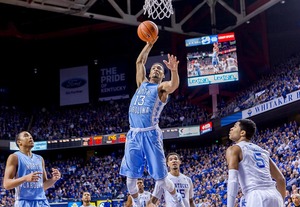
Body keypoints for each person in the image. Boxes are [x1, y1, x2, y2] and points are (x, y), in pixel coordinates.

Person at [119, 37, 183, 207]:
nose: (156, 69)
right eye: (154, 67)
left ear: (162, 76)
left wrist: (174, 71)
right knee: (130, 181)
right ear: (149, 72)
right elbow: (139, 61)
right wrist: (149, 45)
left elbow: (174, 85)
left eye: (160, 69)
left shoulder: (161, 89)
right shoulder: (141, 84)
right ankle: (139, 204)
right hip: (133, 135)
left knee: (161, 180)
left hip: (151, 134)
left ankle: (178, 200)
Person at [225, 119, 286, 207]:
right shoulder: (263, 151)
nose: (231, 129)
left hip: (256, 195)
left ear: (242, 133)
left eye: (234, 127)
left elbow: (233, 180)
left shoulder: (234, 149)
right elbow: (281, 179)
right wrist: (281, 201)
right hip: (275, 195)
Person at [3, 131, 61, 207]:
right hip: (24, 202)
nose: (30, 137)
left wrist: (54, 179)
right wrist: (25, 178)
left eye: (31, 136)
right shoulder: (14, 157)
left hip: (42, 202)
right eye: (26, 135)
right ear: (19, 142)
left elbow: (43, 186)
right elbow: (6, 184)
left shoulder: (40, 159)